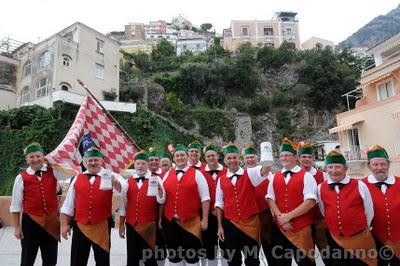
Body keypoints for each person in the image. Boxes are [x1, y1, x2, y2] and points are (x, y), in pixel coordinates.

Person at [60, 147, 124, 266]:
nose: (93, 163)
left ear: (101, 161)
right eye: (90, 160)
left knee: (102, 261)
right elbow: (68, 204)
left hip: (102, 226)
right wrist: (64, 224)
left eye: (96, 160)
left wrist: (115, 182)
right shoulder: (77, 178)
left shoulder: (110, 175)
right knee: (77, 261)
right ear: (85, 162)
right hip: (80, 226)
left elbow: (123, 191)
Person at [318, 150, 376, 266]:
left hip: (359, 238)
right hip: (335, 239)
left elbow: (369, 211)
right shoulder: (320, 187)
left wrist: (360, 228)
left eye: (338, 167)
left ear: (345, 168)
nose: (334, 171)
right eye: (330, 167)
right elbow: (323, 210)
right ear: (326, 169)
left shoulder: (359, 185)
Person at [215, 142, 270, 266]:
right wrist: (220, 226)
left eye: (234, 157)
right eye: (229, 158)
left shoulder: (250, 173)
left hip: (250, 223)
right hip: (230, 224)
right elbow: (219, 204)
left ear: (239, 158)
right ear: (224, 160)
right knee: (233, 260)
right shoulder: (221, 180)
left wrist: (267, 152)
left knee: (252, 259)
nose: (232, 160)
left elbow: (265, 170)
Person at [266, 137, 317, 266]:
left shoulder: (307, 176)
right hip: (280, 228)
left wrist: (289, 216)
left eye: (287, 155)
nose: (283, 158)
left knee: (306, 262)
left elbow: (310, 201)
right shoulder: (275, 175)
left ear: (295, 157)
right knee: (279, 262)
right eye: (281, 155)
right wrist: (280, 218)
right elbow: (270, 198)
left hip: (301, 228)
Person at [10, 142, 60, 266]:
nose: (35, 159)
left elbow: (71, 171)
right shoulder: (21, 178)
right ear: (27, 159)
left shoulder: (54, 171)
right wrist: (17, 227)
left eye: (38, 156)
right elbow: (15, 206)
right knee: (28, 257)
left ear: (43, 157)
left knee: (51, 258)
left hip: (52, 221)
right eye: (31, 157)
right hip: (30, 222)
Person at [161, 144, 210, 266]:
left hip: (191, 222)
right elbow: (162, 197)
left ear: (187, 157)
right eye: (177, 156)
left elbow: (205, 199)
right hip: (170, 222)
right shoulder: (167, 174)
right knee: (174, 257)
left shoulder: (197, 174)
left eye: (182, 155)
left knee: (191, 257)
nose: (179, 158)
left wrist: (205, 220)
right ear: (174, 158)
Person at [119, 151, 166, 266]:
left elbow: (161, 200)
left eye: (143, 163)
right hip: (131, 225)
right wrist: (121, 224)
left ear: (147, 165)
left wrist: (160, 191)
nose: (140, 166)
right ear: (134, 165)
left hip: (149, 225)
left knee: (149, 257)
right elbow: (123, 205)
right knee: (132, 257)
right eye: (138, 163)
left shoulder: (156, 179)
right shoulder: (127, 182)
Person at [362, 145, 400, 266]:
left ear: (388, 165)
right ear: (369, 166)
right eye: (375, 164)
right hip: (374, 239)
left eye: (383, 164)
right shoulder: (360, 185)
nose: (380, 168)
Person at [297, 142, 330, 265]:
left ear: (313, 159)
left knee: (327, 254)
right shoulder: (294, 175)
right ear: (298, 158)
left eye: (309, 157)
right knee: (306, 258)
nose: (306, 159)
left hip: (320, 221)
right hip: (302, 222)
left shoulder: (323, 175)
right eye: (304, 156)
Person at [242, 144, 274, 265]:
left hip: (265, 216)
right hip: (249, 219)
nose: (250, 160)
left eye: (252, 157)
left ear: (257, 158)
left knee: (270, 249)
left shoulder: (269, 175)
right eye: (247, 157)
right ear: (243, 159)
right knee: (251, 252)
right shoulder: (242, 175)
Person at [200, 143, 228, 266]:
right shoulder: (200, 174)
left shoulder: (227, 172)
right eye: (208, 156)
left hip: (225, 214)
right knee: (209, 246)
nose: (211, 158)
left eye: (213, 155)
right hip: (208, 215)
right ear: (205, 158)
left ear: (218, 156)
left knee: (226, 245)